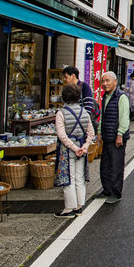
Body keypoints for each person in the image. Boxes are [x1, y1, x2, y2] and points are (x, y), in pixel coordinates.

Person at [54, 83, 95, 218]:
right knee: (80, 178)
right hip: (82, 149)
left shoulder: (61, 113)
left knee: (68, 179)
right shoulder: (84, 112)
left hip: (68, 151)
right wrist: (85, 146)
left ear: (64, 97)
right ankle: (79, 206)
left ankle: (69, 208)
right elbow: (91, 132)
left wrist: (74, 147)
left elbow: (62, 135)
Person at [96, 72, 130, 204]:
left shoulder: (121, 97)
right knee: (105, 166)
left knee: (116, 166)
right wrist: (99, 132)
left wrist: (120, 134)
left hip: (117, 137)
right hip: (107, 136)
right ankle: (107, 190)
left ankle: (116, 193)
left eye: (108, 81)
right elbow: (102, 116)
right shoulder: (106, 96)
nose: (105, 84)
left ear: (115, 81)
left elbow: (124, 119)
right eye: (103, 81)